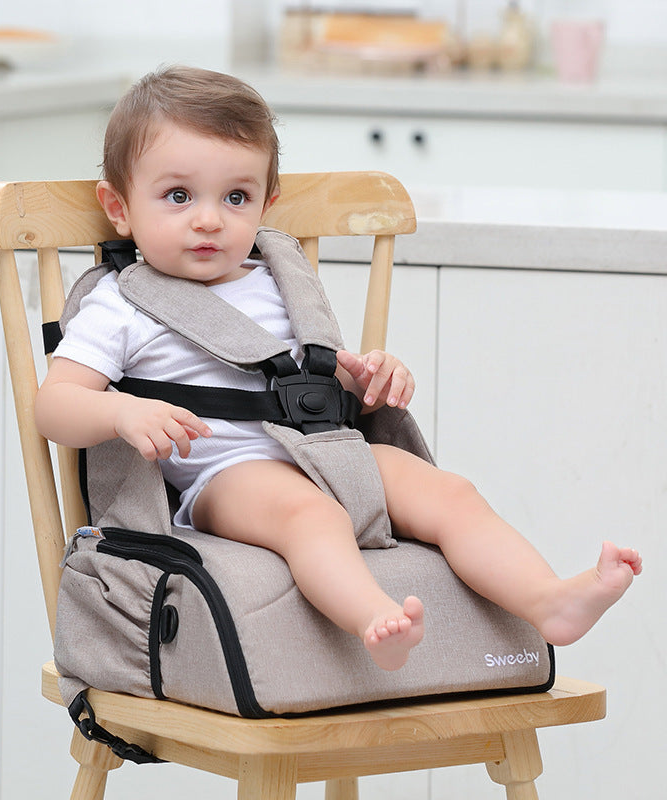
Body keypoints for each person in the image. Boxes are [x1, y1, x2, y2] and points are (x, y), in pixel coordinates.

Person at [34, 65, 642, 671]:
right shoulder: (121, 303)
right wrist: (120, 409)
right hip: (223, 476)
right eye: (178, 196)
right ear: (118, 207)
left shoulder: (278, 279)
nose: (209, 219)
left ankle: (548, 601)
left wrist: (370, 379)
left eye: (236, 197)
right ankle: (372, 618)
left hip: (325, 448)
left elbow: (310, 383)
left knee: (450, 492)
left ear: (267, 204)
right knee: (309, 514)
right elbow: (54, 406)